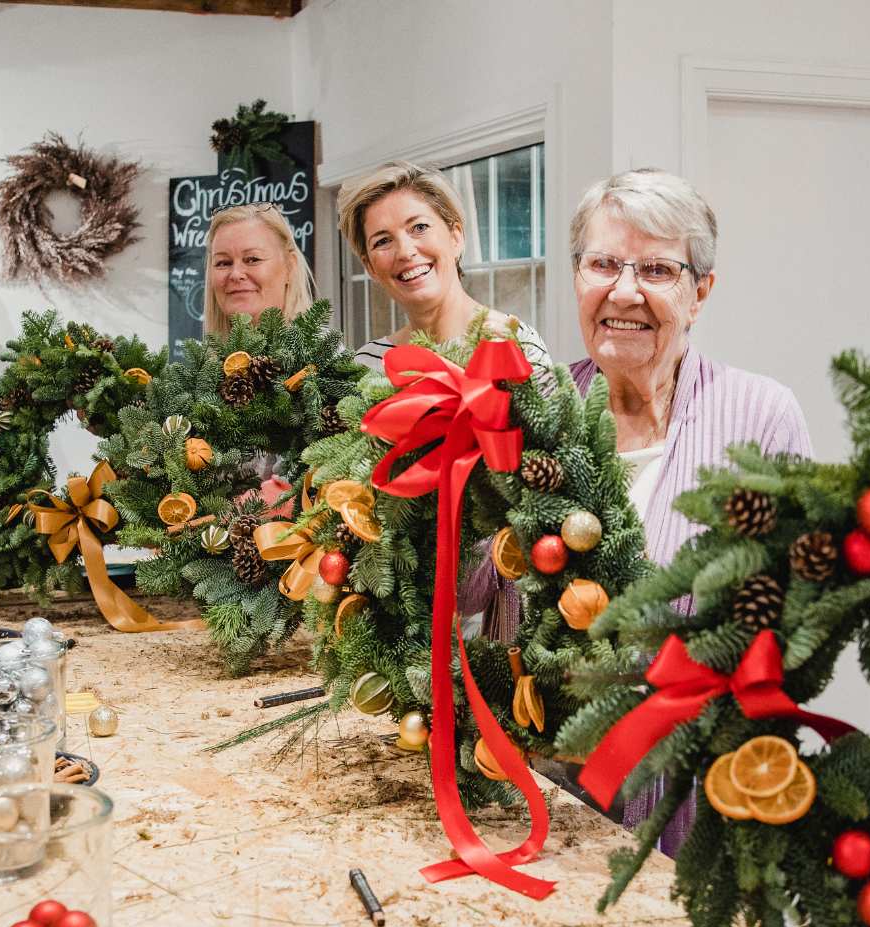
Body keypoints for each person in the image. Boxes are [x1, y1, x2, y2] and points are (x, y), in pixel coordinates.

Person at [553, 168, 813, 852]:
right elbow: (476, 588)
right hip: (544, 788)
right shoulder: (535, 414)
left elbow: (802, 610)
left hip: (699, 789)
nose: (625, 291)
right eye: (603, 264)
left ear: (700, 293)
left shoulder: (760, 415)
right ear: (577, 277)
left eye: (658, 269)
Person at [335, 161, 553, 376]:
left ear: (455, 236)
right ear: (370, 266)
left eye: (419, 227)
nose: (405, 251)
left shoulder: (515, 343)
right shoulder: (365, 367)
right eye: (382, 241)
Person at [203, 203, 315, 336]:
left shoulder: (322, 354)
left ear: (289, 267)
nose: (235, 274)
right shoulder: (210, 355)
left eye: (252, 259)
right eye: (223, 263)